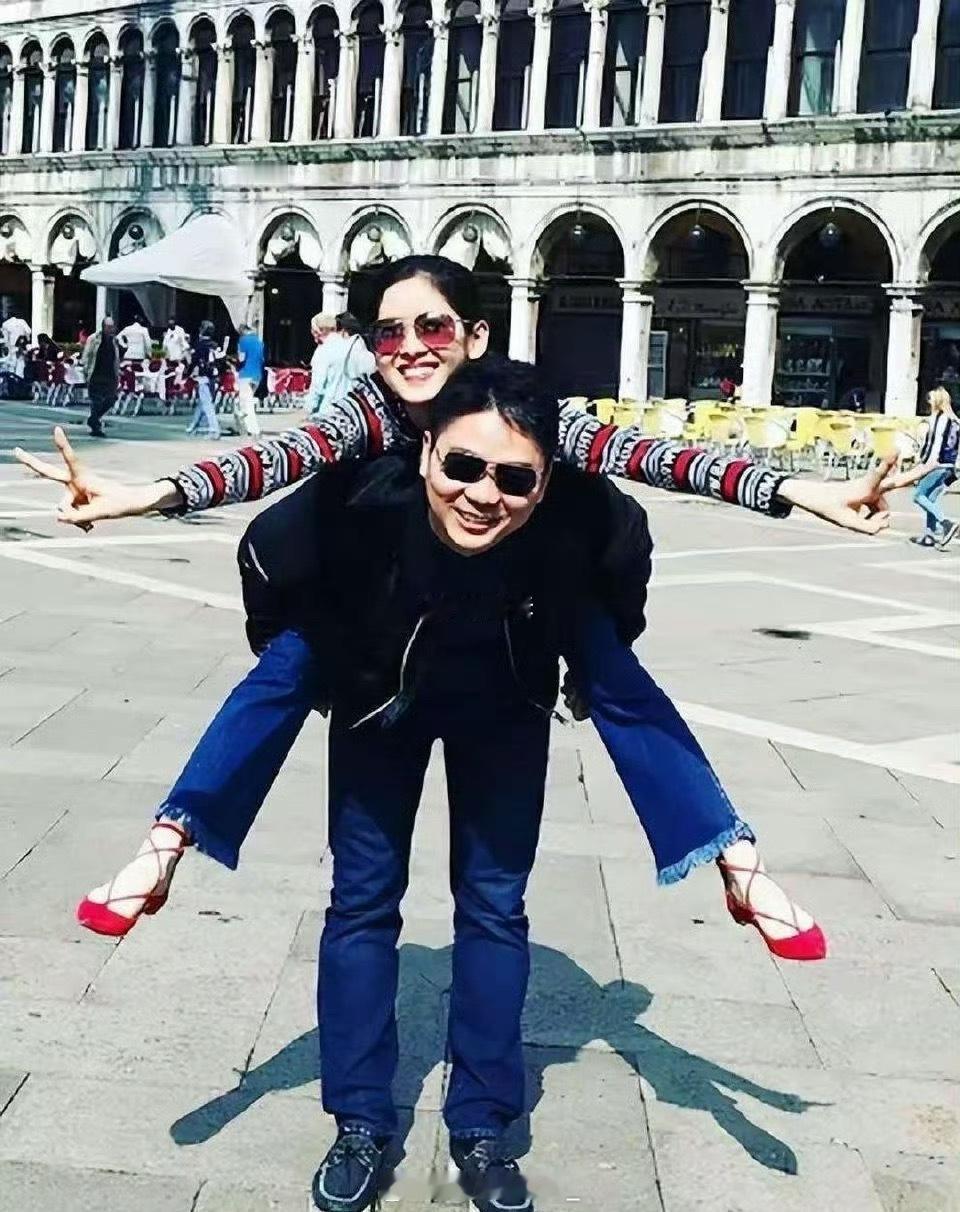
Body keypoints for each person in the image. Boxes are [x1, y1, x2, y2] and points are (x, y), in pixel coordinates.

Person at [16, 256, 895, 961]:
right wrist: (153, 494)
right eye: (388, 332)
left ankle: (734, 858)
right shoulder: (367, 413)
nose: (410, 347)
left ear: (474, 335)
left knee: (606, 658)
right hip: (382, 617)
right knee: (289, 661)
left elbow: (653, 455)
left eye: (432, 326)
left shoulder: (521, 410)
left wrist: (796, 492)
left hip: (518, 612)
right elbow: (279, 457)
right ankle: (169, 842)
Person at [93, 359, 657, 1212]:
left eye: (513, 479)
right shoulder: (365, 489)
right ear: (427, 452)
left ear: (543, 483)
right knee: (361, 904)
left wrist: (595, 655)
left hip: (504, 706)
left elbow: (627, 559)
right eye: (461, 467)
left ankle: (482, 1125)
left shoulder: (570, 502)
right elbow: (267, 550)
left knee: (495, 909)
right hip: (377, 704)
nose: (482, 493)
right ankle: (359, 1119)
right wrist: (291, 645)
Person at [884, 386, 960, 549]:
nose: (929, 403)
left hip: (936, 464)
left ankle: (946, 523)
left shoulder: (938, 420)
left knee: (918, 496)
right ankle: (929, 535)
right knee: (930, 499)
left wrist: (923, 465)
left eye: (930, 400)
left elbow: (934, 445)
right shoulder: (955, 421)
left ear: (937, 402)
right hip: (949, 466)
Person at [307, 311, 375, 417]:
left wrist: (309, 409)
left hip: (328, 412)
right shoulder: (359, 349)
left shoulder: (323, 351)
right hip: (355, 412)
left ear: (317, 331)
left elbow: (318, 387)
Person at [80, 317, 120, 437]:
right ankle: (96, 427)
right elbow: (86, 355)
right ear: (103, 327)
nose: (111, 329)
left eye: (112, 327)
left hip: (110, 375)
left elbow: (116, 358)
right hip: (95, 374)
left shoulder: (114, 340)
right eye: (108, 327)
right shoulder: (93, 339)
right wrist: (86, 371)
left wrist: (117, 373)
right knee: (96, 402)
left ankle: (93, 419)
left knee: (111, 399)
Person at [185, 319, 221, 440]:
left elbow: (194, 362)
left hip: (203, 376)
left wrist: (187, 373)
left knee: (207, 404)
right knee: (203, 402)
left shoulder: (200, 345)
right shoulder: (215, 345)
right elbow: (221, 360)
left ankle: (214, 430)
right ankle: (193, 425)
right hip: (214, 377)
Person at [233, 323, 264, 438]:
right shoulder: (259, 341)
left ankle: (254, 429)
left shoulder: (243, 340)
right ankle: (245, 426)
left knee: (247, 404)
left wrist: (234, 359)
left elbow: (241, 358)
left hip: (245, 374)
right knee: (245, 401)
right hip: (257, 376)